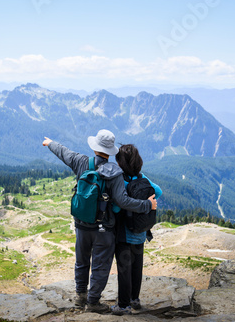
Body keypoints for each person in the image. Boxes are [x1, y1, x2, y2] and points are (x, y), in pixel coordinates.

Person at [42, 130, 156, 314]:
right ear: (111, 151)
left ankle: (80, 297)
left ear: (95, 146)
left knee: (81, 262)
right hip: (104, 228)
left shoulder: (81, 161)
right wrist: (146, 205)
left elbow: (64, 152)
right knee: (100, 267)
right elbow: (123, 201)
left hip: (81, 225)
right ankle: (93, 302)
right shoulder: (115, 172)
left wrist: (50, 143)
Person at [111, 144, 162, 315]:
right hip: (141, 232)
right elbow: (159, 191)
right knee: (136, 267)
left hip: (124, 234)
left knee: (124, 269)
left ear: (120, 163)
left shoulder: (122, 181)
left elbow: (118, 208)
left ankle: (124, 305)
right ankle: (135, 299)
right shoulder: (142, 177)